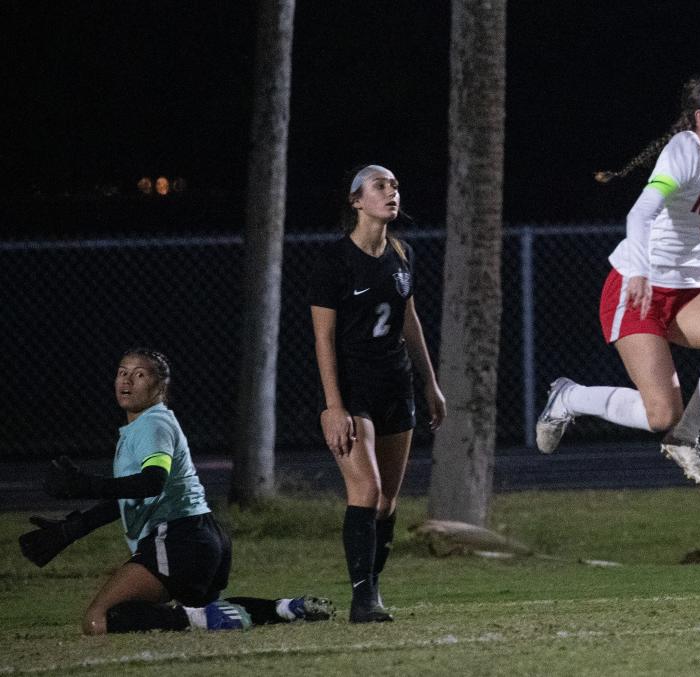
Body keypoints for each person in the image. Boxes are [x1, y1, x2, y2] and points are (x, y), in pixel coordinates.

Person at [537, 73, 700, 486]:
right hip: (635, 289)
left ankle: (684, 438)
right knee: (659, 413)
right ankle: (569, 397)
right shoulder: (684, 150)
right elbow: (640, 213)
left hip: (686, 291)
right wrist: (640, 271)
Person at [18, 347, 334, 634]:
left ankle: (199, 620)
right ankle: (284, 608)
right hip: (202, 537)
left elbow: (152, 481)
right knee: (198, 610)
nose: (126, 380)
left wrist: (84, 485)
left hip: (178, 538)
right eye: (122, 371)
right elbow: (134, 494)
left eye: (139, 374)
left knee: (98, 619)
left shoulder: (152, 424)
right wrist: (74, 528)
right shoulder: (146, 425)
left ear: (160, 387)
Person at [309, 164, 446, 623]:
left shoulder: (401, 253)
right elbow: (323, 338)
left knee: (387, 501)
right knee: (365, 490)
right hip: (354, 390)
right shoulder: (334, 261)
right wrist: (334, 405)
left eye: (395, 186)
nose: (391, 192)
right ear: (356, 201)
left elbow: (409, 321)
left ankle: (372, 589)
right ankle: (362, 599)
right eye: (380, 186)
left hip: (396, 385)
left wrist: (430, 383)